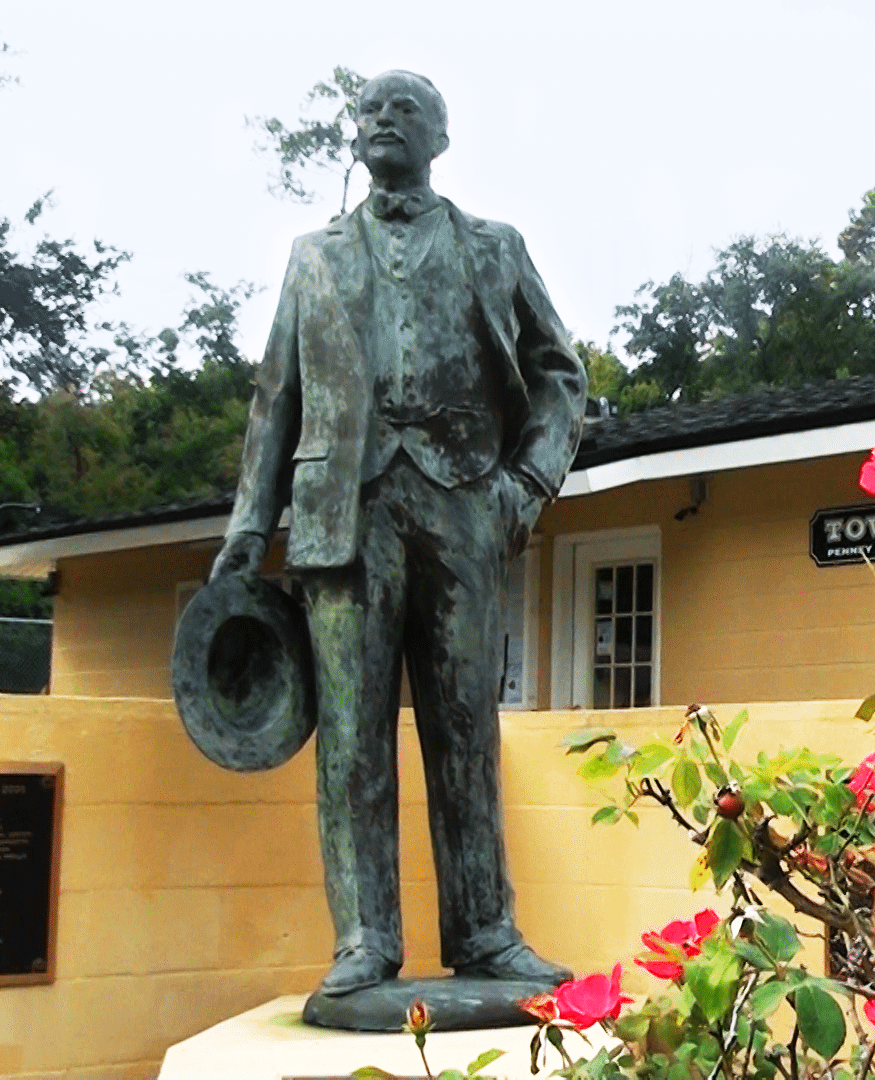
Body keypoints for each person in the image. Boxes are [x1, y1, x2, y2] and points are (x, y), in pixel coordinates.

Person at [209, 69, 585, 997]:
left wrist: (526, 483)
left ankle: (486, 930)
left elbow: (560, 373)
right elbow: (276, 401)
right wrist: (250, 524)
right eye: (368, 110)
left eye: (404, 109)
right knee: (352, 732)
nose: (382, 120)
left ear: (440, 138)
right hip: (344, 511)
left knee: (466, 724)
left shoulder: (495, 248)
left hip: (464, 503)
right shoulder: (313, 257)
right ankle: (366, 938)